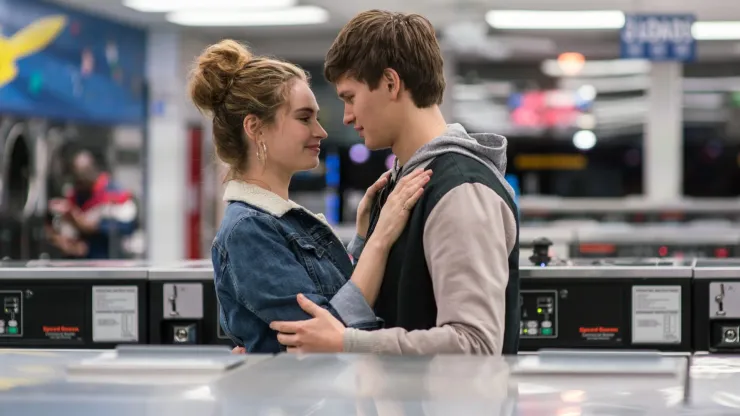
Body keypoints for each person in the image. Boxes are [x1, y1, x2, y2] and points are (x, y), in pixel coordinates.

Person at [270, 10, 521, 355]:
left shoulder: (460, 192)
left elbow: (475, 343)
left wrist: (347, 343)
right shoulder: (399, 185)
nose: (347, 116)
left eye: (350, 97)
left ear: (390, 83)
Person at [188, 40, 432, 353]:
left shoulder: (283, 222)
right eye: (304, 118)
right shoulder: (248, 231)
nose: (321, 131)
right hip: (302, 400)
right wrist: (381, 238)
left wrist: (361, 239)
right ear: (255, 128)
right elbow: (324, 336)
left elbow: (339, 304)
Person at [46, 149, 138, 259]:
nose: (77, 182)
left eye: (81, 176)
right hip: (79, 263)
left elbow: (127, 227)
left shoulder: (114, 194)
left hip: (109, 262)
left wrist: (94, 226)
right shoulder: (76, 195)